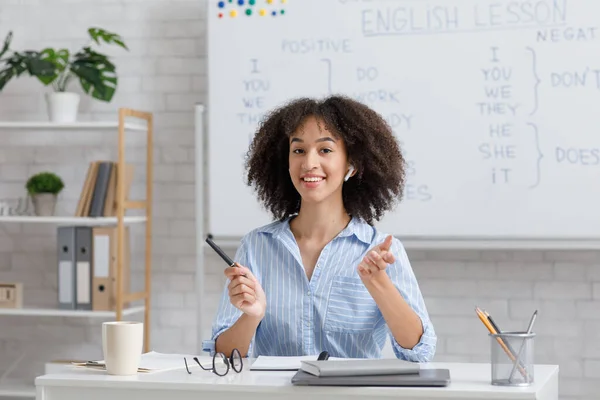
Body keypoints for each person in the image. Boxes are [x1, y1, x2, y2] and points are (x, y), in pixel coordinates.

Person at [202, 95, 436, 362]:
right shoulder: (257, 246)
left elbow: (420, 352)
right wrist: (251, 315)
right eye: (298, 150)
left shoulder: (381, 251)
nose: (309, 163)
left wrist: (379, 284)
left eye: (325, 150)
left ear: (351, 164)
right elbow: (222, 358)